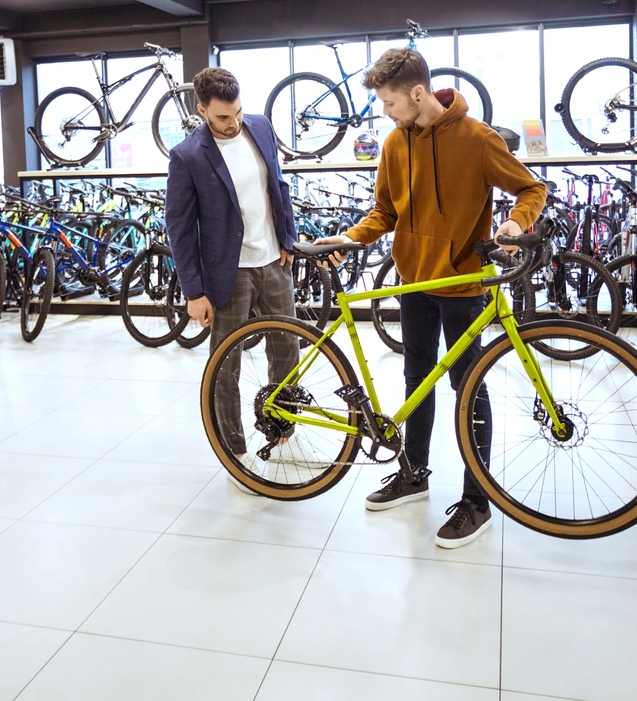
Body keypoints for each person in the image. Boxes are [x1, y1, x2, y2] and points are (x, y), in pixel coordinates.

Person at [320, 48, 545, 548]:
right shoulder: (394, 144)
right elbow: (384, 212)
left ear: (417, 93)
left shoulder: (477, 138)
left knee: (470, 390)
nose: (385, 112)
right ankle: (413, 473)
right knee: (415, 379)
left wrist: (512, 223)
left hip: (462, 283)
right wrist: (352, 238)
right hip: (413, 283)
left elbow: (532, 189)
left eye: (389, 102)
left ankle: (476, 501)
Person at [165, 66, 302, 490]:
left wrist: (288, 238)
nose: (234, 122)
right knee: (226, 364)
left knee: (288, 350)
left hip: (273, 262)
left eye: (238, 113)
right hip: (228, 272)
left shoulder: (259, 127)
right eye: (223, 117)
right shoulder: (187, 155)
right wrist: (193, 291)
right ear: (203, 111)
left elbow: (278, 187)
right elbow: (180, 229)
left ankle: (281, 429)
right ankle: (235, 450)